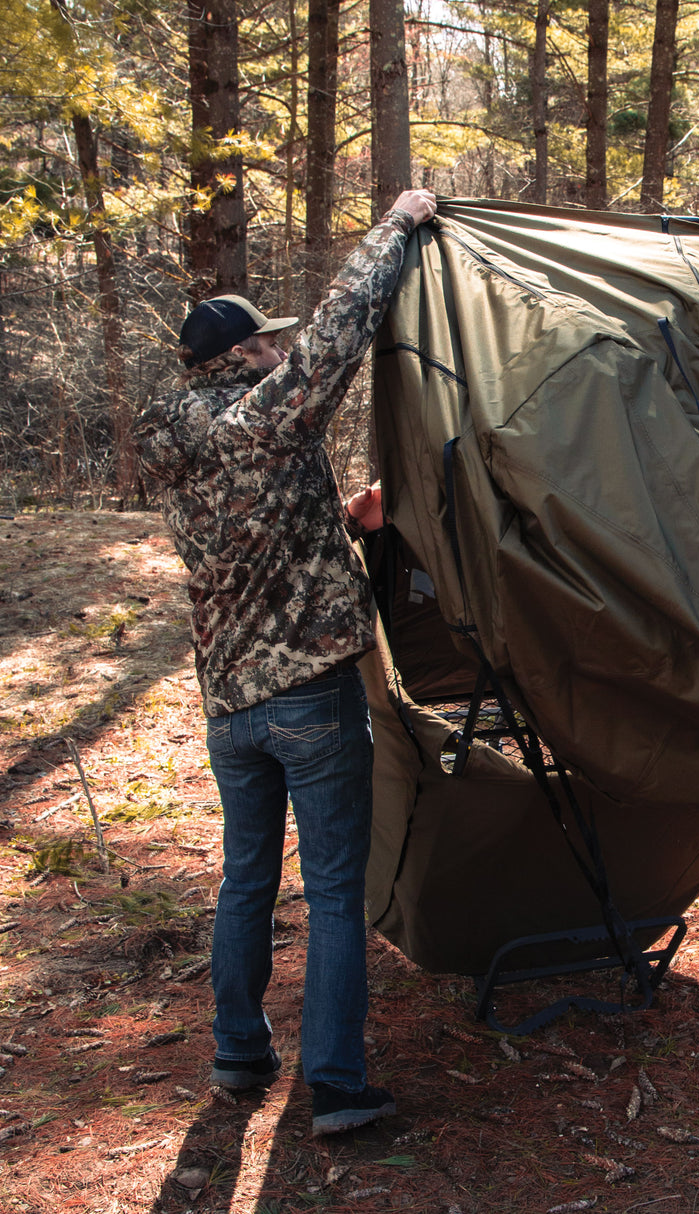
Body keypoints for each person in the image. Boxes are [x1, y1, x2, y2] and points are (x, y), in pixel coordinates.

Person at [134, 186, 438, 1133]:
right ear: (244, 356)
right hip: (307, 695)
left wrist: (346, 526)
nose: (278, 348)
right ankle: (338, 1088)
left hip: (231, 705)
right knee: (337, 893)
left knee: (247, 880)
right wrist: (399, 223)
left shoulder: (179, 443)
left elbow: (248, 540)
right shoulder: (263, 415)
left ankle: (238, 1054)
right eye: (267, 341)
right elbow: (343, 326)